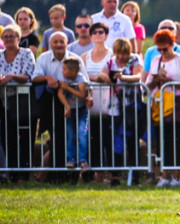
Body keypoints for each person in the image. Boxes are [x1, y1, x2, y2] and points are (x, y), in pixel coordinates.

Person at [31, 32, 81, 173]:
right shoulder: (43, 58)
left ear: (67, 43)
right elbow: (34, 77)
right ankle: (55, 173)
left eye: (61, 41)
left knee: (70, 138)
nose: (59, 44)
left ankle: (70, 174)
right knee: (56, 138)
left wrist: (67, 85)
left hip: (72, 102)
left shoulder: (75, 58)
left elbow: (84, 80)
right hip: (51, 104)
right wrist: (47, 78)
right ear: (50, 44)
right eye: (55, 42)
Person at [147, 29, 180, 187]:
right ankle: (164, 176)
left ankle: (176, 177)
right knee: (162, 141)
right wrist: (157, 79)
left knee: (176, 140)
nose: (162, 52)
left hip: (176, 104)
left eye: (165, 48)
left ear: (172, 44)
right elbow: (148, 84)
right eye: (159, 49)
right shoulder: (156, 60)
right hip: (160, 104)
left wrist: (169, 80)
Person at [97, 37, 144, 177]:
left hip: (132, 107)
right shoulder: (111, 61)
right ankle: (115, 175)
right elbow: (101, 74)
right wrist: (106, 78)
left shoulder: (134, 59)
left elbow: (138, 76)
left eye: (124, 53)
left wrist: (123, 77)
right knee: (115, 141)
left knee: (132, 141)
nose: (121, 57)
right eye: (119, 53)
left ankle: (134, 175)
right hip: (115, 108)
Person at [1, 25, 36, 173]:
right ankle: (13, 173)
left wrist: (13, 77)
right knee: (7, 137)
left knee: (25, 137)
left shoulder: (26, 53)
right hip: (3, 102)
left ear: (19, 38)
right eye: (6, 36)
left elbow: (29, 75)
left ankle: (24, 174)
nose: (9, 39)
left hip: (23, 102)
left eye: (12, 36)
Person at [83, 23, 114, 177]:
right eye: (94, 32)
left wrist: (92, 77)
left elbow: (110, 78)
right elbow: (81, 77)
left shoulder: (112, 55)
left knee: (108, 141)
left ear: (106, 35)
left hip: (108, 105)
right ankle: (96, 175)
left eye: (101, 31)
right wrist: (98, 78)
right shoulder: (85, 56)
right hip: (90, 105)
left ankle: (112, 175)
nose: (98, 34)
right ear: (91, 35)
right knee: (93, 141)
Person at [57, 57, 90, 173]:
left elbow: (82, 94)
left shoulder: (81, 78)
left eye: (64, 69)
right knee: (70, 135)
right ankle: (70, 159)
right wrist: (67, 107)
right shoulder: (62, 78)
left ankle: (83, 160)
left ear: (73, 71)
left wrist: (68, 88)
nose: (62, 72)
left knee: (82, 133)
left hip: (82, 110)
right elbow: (60, 93)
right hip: (70, 110)